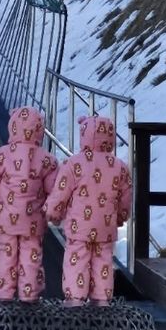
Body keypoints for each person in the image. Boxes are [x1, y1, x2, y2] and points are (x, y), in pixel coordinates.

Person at [43, 115, 132, 306]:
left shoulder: (73, 164)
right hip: (105, 226)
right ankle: (101, 299)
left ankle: (75, 299)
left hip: (79, 226)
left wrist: (53, 213)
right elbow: (126, 197)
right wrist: (121, 217)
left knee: (77, 260)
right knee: (103, 261)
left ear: (84, 135)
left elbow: (61, 193)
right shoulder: (119, 167)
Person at [0, 106, 58, 303]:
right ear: (39, 130)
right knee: (31, 255)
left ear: (12, 127)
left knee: (5, 252)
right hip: (33, 221)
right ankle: (29, 294)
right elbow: (54, 191)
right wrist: (55, 214)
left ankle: (3, 293)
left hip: (5, 220)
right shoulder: (47, 160)